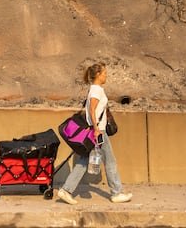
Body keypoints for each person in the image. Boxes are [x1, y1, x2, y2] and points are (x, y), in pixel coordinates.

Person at [56, 62, 132, 204]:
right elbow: (92, 110)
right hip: (99, 132)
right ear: (97, 75)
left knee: (84, 161)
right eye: (104, 73)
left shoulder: (94, 89)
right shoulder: (97, 90)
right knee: (110, 161)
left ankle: (66, 190)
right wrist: (97, 129)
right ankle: (116, 193)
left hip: (95, 131)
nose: (106, 76)